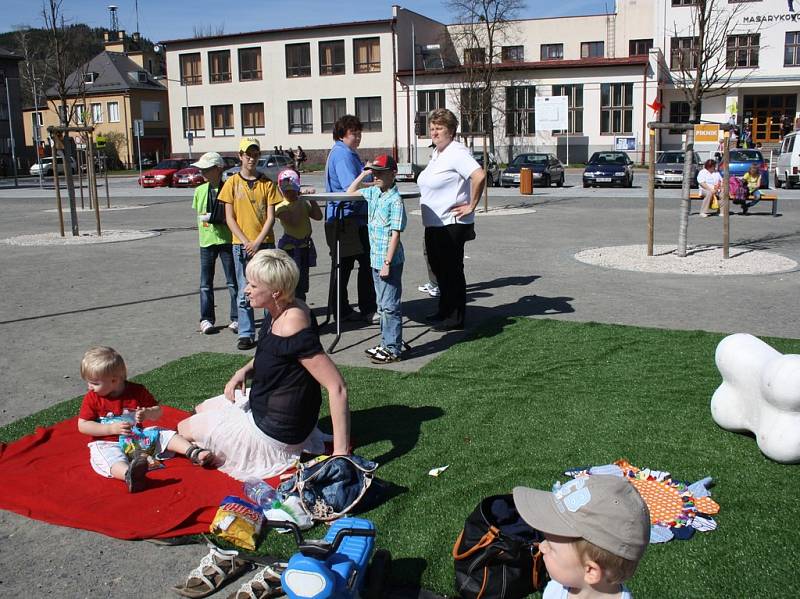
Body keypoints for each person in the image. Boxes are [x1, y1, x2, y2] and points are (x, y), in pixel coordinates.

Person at [177, 249, 350, 481]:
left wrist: (340, 454)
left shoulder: (292, 326)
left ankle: (204, 450)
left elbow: (337, 388)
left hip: (273, 431)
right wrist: (244, 370)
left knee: (183, 428)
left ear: (276, 292)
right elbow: (273, 353)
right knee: (201, 408)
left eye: (254, 286)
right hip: (268, 406)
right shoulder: (280, 308)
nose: (246, 290)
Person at [78, 346, 214, 493]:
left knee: (161, 433)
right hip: (109, 442)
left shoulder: (136, 391)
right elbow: (83, 425)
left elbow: (158, 412)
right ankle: (129, 474)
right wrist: (110, 429)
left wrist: (147, 413)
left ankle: (192, 451)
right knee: (107, 457)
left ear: (114, 380)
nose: (89, 387)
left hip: (138, 438)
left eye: (95, 383)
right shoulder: (92, 398)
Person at [513, 476, 650, 599]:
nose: (542, 546)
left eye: (551, 546)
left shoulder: (561, 584)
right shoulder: (557, 587)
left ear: (590, 571)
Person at [416, 108, 486, 331]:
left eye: (440, 128)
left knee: (451, 270)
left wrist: (471, 205)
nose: (434, 132)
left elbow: (479, 175)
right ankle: (444, 311)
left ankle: (455, 317)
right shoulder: (438, 153)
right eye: (432, 128)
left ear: (451, 130)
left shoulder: (456, 152)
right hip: (435, 223)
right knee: (439, 269)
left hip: (451, 223)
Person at [219, 137, 281, 350]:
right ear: (240, 156)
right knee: (244, 289)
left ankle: (269, 329)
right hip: (241, 245)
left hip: (264, 243)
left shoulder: (267, 183)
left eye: (255, 155)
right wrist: (247, 242)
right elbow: (230, 218)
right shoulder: (232, 183)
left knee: (268, 288)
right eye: (248, 155)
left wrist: (258, 241)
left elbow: (271, 217)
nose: (251, 159)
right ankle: (246, 332)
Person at [347, 154, 407, 364]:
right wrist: (365, 173)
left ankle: (393, 348)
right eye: (375, 172)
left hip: (388, 261)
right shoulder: (374, 192)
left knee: (390, 305)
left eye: (381, 172)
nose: (377, 175)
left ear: (393, 174)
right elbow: (350, 191)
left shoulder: (395, 200)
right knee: (382, 305)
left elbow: (395, 235)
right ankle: (388, 342)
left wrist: (387, 263)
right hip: (375, 259)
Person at [324, 114, 378, 323]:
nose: (357, 137)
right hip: (348, 219)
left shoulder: (345, 152)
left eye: (359, 133)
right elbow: (351, 188)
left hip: (347, 218)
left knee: (346, 266)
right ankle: (366, 308)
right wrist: (374, 184)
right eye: (353, 133)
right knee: (363, 264)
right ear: (341, 135)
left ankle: (342, 309)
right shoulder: (343, 154)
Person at [191, 152, 238, 335]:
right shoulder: (199, 191)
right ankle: (206, 319)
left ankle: (236, 318)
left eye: (207, 169)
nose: (202, 172)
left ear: (218, 169)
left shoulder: (229, 188)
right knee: (205, 283)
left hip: (227, 239)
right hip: (207, 241)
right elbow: (198, 213)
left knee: (232, 282)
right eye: (201, 169)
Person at [274, 168, 322, 301]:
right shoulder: (281, 207)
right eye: (286, 190)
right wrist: (299, 200)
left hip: (304, 247)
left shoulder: (301, 201)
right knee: (291, 284)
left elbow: (318, 216)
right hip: (290, 249)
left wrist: (311, 199)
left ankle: (301, 307)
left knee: (302, 284)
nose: (290, 193)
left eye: (293, 189)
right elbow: (293, 221)